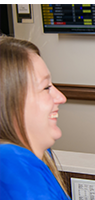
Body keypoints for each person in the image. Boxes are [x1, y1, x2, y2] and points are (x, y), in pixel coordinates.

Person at [0, 38, 69, 200]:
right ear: (10, 101)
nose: (61, 97)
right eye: (46, 87)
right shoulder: (12, 162)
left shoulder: (37, 158)